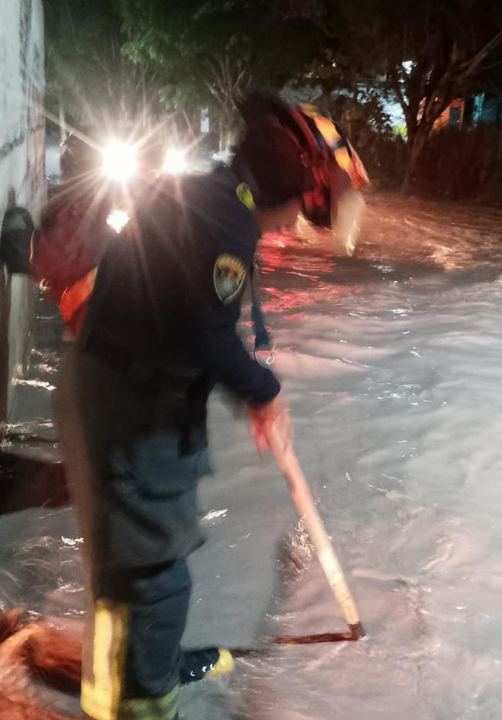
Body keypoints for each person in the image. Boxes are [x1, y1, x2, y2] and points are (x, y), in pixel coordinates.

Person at [58, 90, 304, 720]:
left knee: (124, 571)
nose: (294, 224)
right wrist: (264, 391)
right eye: (298, 207)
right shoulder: (228, 222)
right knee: (155, 572)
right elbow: (206, 333)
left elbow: (185, 315)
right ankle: (146, 701)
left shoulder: (206, 194)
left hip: (112, 388)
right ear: (280, 191)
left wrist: (250, 391)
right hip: (134, 411)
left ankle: (118, 685)